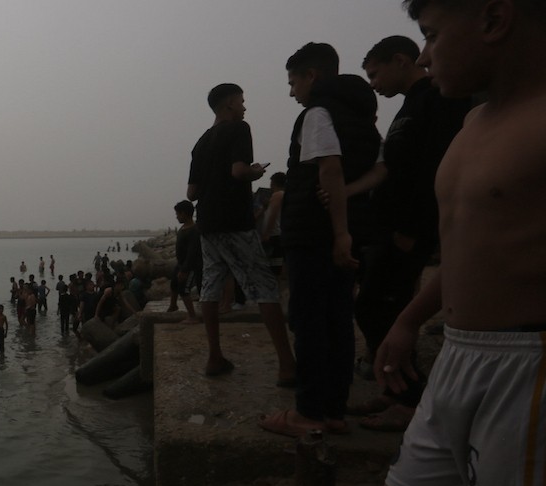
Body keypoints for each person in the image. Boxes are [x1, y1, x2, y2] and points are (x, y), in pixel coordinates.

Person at [297, 0, 546, 486]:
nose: (428, 55)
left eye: (435, 35)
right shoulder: (472, 125)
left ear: (495, 19)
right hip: (462, 354)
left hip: (531, 369)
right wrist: (409, 321)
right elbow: (464, 245)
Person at [260, 44, 381, 437]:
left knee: (310, 322)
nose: (292, 91)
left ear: (312, 76)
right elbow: (381, 169)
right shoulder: (362, 117)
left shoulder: (317, 114)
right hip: (348, 230)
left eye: (293, 81)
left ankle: (308, 412)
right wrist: (347, 212)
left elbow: (329, 167)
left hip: (314, 234)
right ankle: (333, 410)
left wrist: (339, 229)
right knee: (338, 320)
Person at [350, 34, 470, 431]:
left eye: (374, 73)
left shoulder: (437, 101)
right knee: (376, 306)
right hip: (389, 227)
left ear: (401, 61)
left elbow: (433, 170)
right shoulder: (409, 106)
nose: (372, 83)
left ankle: (408, 398)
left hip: (406, 230)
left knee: (377, 307)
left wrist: (411, 230)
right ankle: (396, 390)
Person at [186, 83, 298, 383]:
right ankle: (287, 365)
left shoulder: (200, 142)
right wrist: (256, 171)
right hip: (234, 219)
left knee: (210, 285)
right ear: (230, 104)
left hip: (207, 222)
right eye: (242, 101)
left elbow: (192, 192)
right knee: (264, 286)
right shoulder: (239, 129)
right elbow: (238, 171)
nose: (245, 107)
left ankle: (215, 357)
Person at [171, 200, 202, 322]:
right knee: (174, 284)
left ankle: (192, 316)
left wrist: (185, 270)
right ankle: (173, 305)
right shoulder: (183, 228)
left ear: (184, 214)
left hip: (190, 266)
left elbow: (192, 252)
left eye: (178, 214)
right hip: (180, 263)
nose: (176, 217)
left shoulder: (194, 231)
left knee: (183, 289)